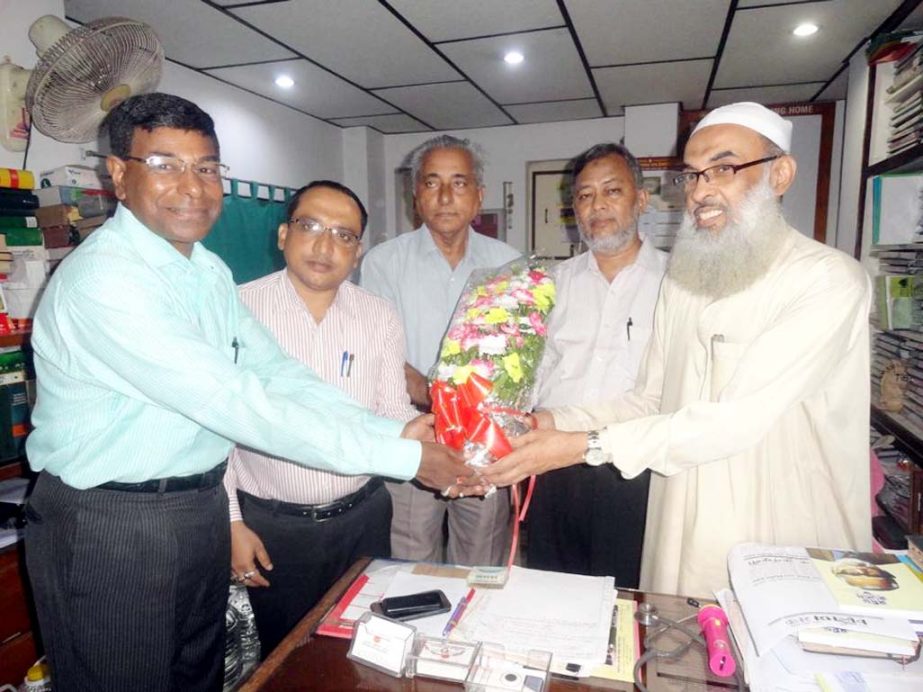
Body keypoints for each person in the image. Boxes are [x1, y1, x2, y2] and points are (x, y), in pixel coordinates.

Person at [23, 93, 472, 692]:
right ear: (119, 175)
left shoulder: (203, 270)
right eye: (165, 164)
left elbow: (275, 373)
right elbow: (236, 401)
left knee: (200, 678)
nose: (193, 186)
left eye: (207, 168)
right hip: (114, 526)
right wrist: (408, 456)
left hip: (194, 510)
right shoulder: (106, 281)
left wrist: (393, 432)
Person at [480, 102, 872, 598]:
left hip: (778, 535)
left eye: (724, 169)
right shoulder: (686, 283)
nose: (702, 190)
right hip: (676, 522)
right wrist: (547, 423)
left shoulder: (825, 279)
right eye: (692, 176)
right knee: (658, 652)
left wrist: (583, 445)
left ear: (781, 174)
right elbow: (649, 399)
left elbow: (735, 421)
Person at [224, 180, 421, 654]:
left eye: (344, 235)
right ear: (282, 234)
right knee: (285, 656)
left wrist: (452, 441)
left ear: (357, 253)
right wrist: (230, 524)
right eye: (310, 226)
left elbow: (394, 411)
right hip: (273, 529)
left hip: (364, 519)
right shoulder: (235, 309)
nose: (325, 245)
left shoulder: (379, 315)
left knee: (363, 646)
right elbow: (215, 435)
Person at [361, 135, 521, 566]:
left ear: (478, 195)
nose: (446, 196)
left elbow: (514, 358)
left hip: (483, 442)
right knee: (411, 564)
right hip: (416, 435)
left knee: (481, 561)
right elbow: (380, 354)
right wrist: (444, 403)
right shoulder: (383, 262)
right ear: (416, 197)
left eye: (459, 183)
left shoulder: (507, 263)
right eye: (432, 184)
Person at [528, 143, 667, 587]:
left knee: (625, 597)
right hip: (552, 467)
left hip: (633, 470)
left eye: (612, 190)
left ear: (640, 200)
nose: (598, 205)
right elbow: (533, 372)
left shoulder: (677, 282)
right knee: (551, 590)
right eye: (585, 196)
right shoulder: (551, 284)